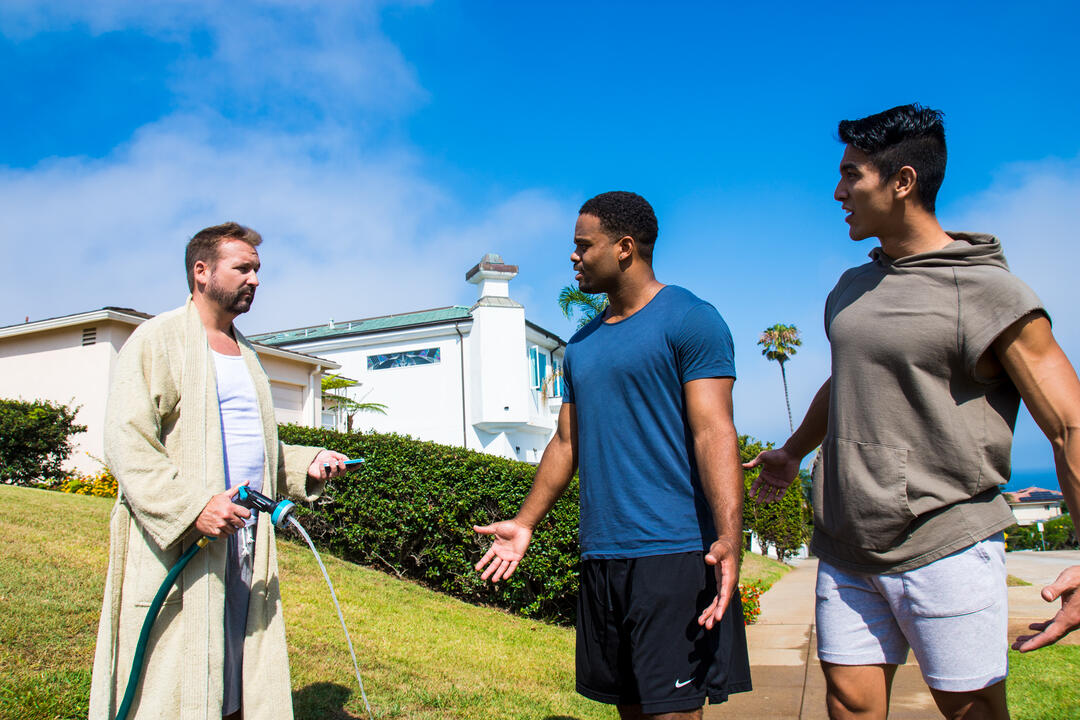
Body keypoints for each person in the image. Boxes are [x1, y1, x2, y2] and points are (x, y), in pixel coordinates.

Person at [745, 104, 1080, 720]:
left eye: (852, 176)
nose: (838, 191)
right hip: (846, 545)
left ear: (902, 181)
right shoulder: (851, 286)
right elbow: (848, 380)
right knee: (849, 705)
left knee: (970, 710)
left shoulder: (988, 292)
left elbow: (1069, 423)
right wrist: (794, 451)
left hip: (946, 541)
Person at [474, 191, 751, 719]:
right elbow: (566, 442)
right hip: (602, 555)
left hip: (672, 554)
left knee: (671, 711)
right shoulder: (581, 345)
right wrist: (525, 523)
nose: (574, 257)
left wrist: (729, 538)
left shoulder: (691, 320)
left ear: (624, 247)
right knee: (626, 708)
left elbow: (715, 432)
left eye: (583, 246)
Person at [88, 222, 351, 720]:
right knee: (175, 670)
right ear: (201, 271)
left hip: (244, 537)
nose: (255, 279)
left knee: (235, 661)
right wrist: (192, 508)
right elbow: (127, 440)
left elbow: (255, 443)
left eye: (258, 270)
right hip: (183, 540)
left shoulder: (245, 350)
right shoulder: (158, 339)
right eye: (244, 268)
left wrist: (304, 463)